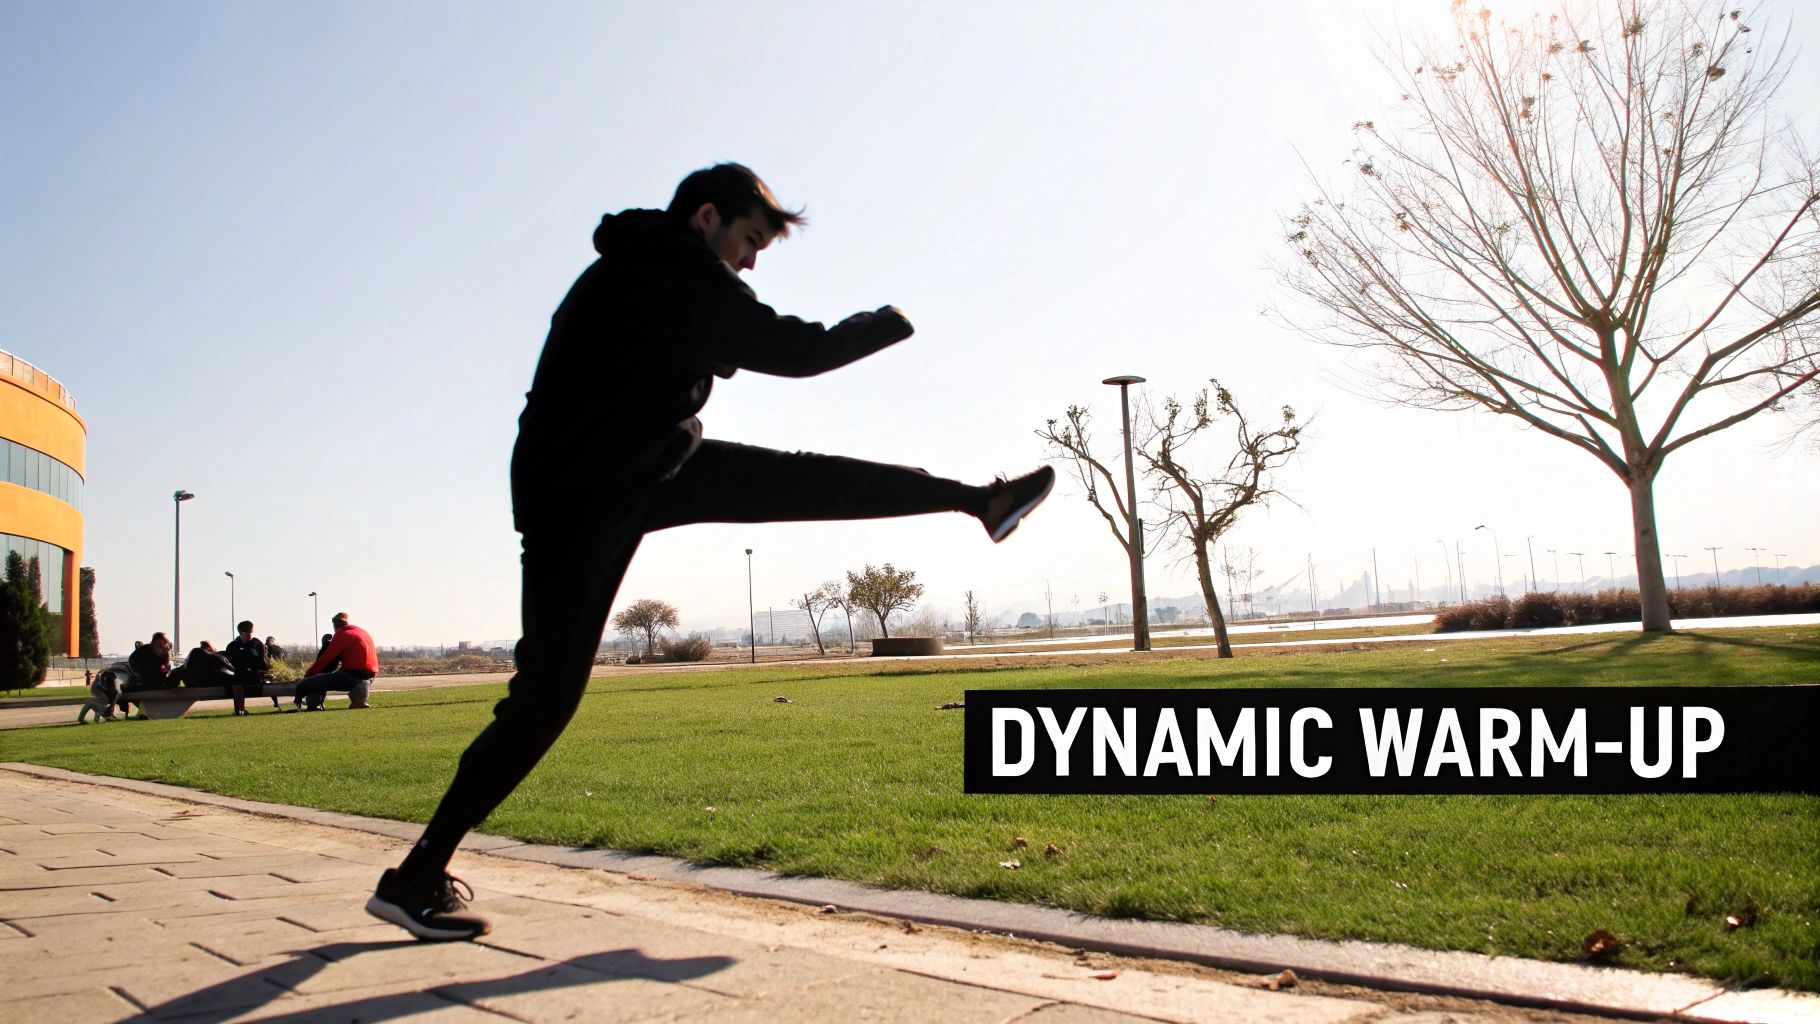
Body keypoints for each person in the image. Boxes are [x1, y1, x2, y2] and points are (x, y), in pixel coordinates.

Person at [364, 163, 1055, 941]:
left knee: (801, 481)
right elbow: (798, 352)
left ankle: (978, 501)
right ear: (706, 218)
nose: (752, 261)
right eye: (750, 240)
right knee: (545, 698)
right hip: (586, 489)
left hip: (639, 466)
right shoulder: (671, 270)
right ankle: (416, 874)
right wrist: (890, 319)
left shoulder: (645, 263)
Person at [294, 612, 378, 710]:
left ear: (334, 625)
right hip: (371, 676)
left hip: (351, 676)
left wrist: (310, 673)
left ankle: (313, 704)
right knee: (328, 676)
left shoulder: (342, 634)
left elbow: (326, 659)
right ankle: (359, 701)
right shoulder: (362, 632)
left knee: (311, 681)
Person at [121, 632, 181, 716]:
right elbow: (145, 673)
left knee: (177, 674)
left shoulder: (163, 654)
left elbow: (165, 670)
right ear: (158, 642)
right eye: (166, 643)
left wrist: (167, 659)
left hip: (155, 683)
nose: (167, 646)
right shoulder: (142, 653)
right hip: (144, 683)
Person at [225, 621, 275, 713]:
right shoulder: (233, 646)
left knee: (240, 678)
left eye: (251, 632)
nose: (251, 635)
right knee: (237, 678)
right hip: (239, 673)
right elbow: (230, 663)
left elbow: (263, 661)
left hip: (255, 674)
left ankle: (275, 703)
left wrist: (264, 670)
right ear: (242, 633)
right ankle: (240, 710)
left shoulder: (257, 643)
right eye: (249, 632)